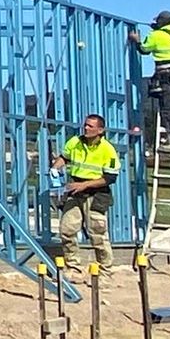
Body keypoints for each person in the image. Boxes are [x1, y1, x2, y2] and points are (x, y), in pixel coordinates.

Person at [51, 114, 120, 273]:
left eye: (90, 126)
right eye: (85, 125)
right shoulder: (75, 142)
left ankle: (105, 271)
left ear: (100, 130)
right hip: (75, 192)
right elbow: (64, 157)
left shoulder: (107, 150)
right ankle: (73, 267)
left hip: (96, 194)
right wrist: (55, 168)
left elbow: (109, 178)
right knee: (67, 230)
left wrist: (84, 185)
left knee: (97, 235)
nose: (86, 128)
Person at [129, 11, 170, 129]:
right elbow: (169, 37)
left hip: (167, 75)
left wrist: (136, 40)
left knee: (168, 107)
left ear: (160, 22)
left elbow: (144, 49)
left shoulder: (155, 35)